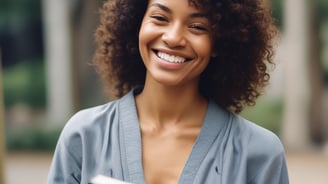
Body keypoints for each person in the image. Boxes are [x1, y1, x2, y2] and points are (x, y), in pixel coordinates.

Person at [47, 0, 289, 183]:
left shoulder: (260, 154)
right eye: (160, 18)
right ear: (136, 23)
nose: (173, 38)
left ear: (220, 41)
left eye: (197, 26)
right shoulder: (84, 136)